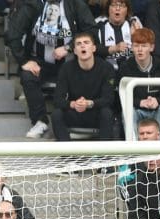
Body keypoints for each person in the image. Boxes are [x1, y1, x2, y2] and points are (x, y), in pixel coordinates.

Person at [5, 0, 98, 138]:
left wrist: (69, 47)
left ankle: (72, 120)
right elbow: (12, 34)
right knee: (27, 75)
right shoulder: (32, 4)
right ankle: (40, 121)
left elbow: (92, 31)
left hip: (70, 61)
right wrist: (24, 61)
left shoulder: (76, 4)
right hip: (40, 61)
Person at [51, 31, 116, 141]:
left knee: (107, 113)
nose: (82, 45)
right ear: (75, 51)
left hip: (95, 111)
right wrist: (73, 104)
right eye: (78, 43)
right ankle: (67, 154)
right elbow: (57, 99)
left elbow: (109, 99)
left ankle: (103, 155)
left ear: (94, 48)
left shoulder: (107, 68)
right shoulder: (66, 68)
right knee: (56, 114)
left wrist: (89, 103)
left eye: (86, 42)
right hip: (75, 111)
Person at [116, 28, 160, 140]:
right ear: (132, 47)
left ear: (151, 47)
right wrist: (140, 102)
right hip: (137, 109)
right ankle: (134, 153)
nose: (140, 50)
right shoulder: (125, 67)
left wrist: (157, 101)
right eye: (136, 46)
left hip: (156, 108)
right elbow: (121, 96)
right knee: (128, 111)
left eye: (144, 46)